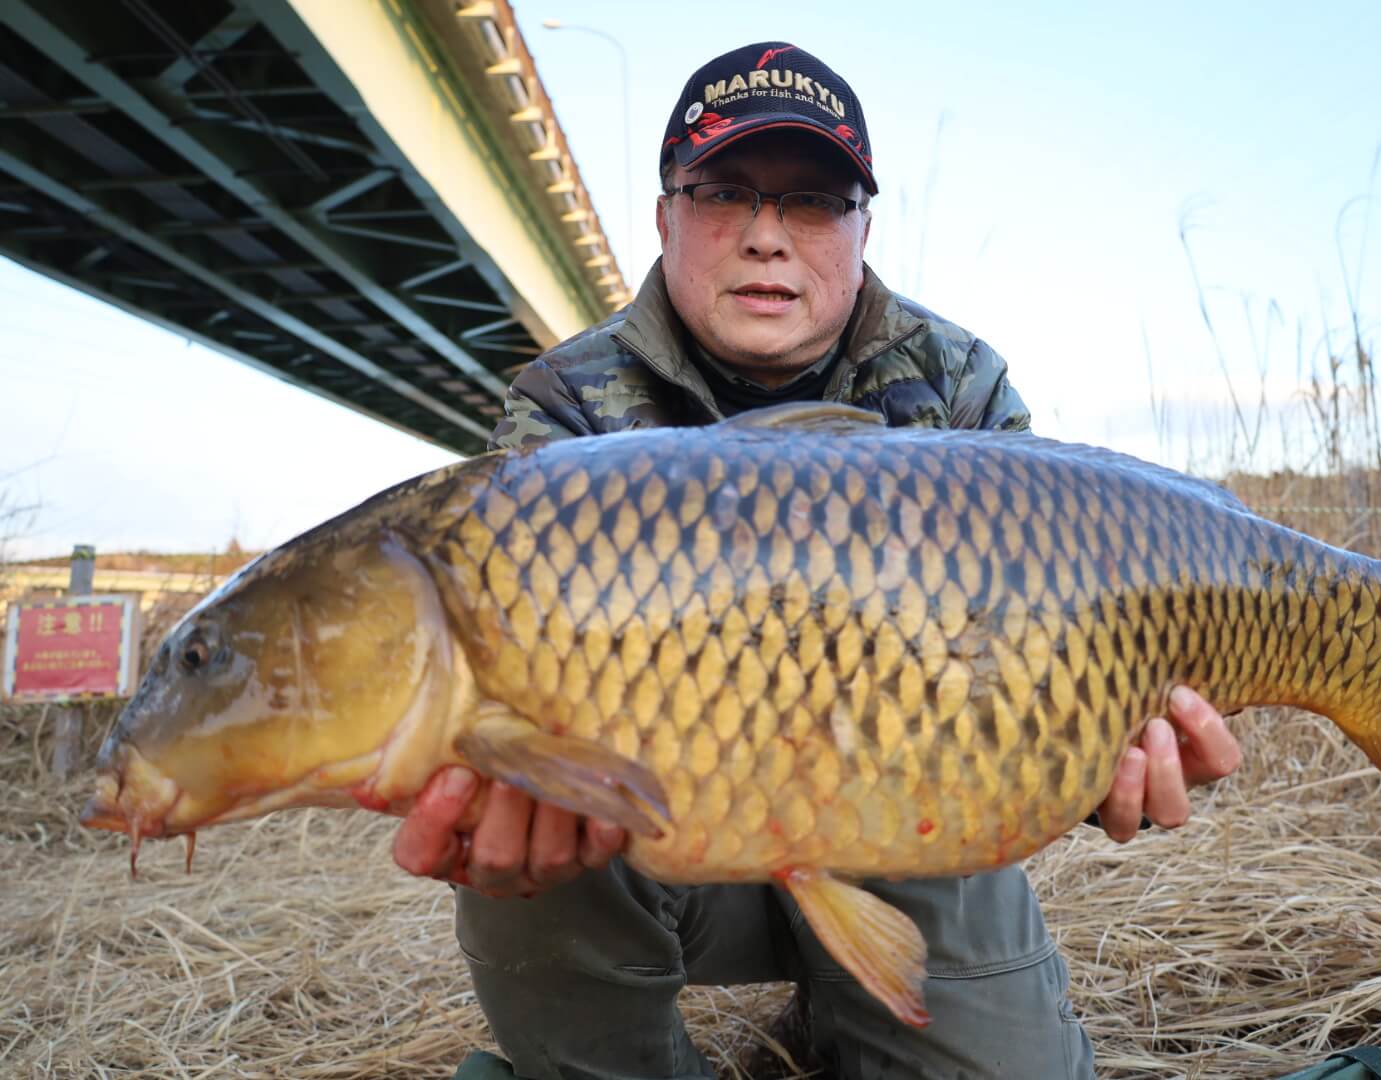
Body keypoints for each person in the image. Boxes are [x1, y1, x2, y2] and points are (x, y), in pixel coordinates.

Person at [391, 42, 1243, 1080]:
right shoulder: (566, 411)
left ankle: (856, 1015)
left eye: (809, 202)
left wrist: (1104, 752)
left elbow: (1059, 662)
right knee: (523, 788)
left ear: (860, 231)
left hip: (915, 826)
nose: (763, 237)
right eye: (723, 195)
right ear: (664, 216)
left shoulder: (958, 388)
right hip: (657, 844)